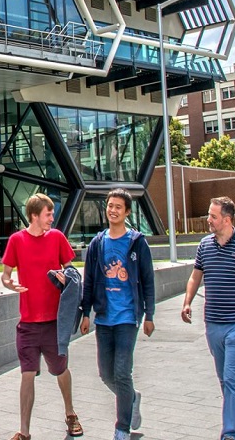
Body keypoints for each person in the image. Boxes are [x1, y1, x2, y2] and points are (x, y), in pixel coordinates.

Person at [1, 192, 82, 440]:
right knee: (27, 373)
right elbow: (5, 274)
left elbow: (73, 273)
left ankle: (70, 414)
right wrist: (9, 284)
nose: (52, 219)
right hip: (27, 324)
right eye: (48, 214)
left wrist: (65, 277)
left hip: (54, 323)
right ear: (34, 215)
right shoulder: (16, 240)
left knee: (60, 370)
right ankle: (24, 432)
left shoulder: (57, 238)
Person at [181, 197, 235, 440]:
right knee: (223, 377)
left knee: (231, 376)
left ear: (226, 220)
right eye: (209, 215)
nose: (208, 220)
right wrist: (187, 302)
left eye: (213, 216)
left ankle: (230, 432)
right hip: (212, 323)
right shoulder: (205, 245)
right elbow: (196, 277)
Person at [79, 188, 156, 440]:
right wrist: (86, 312)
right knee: (105, 374)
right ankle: (131, 397)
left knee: (122, 372)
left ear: (127, 212)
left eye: (118, 207)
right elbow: (88, 280)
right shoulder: (97, 244)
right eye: (110, 205)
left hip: (127, 318)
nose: (112, 210)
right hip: (103, 318)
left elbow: (147, 280)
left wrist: (150, 315)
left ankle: (122, 428)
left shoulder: (137, 242)